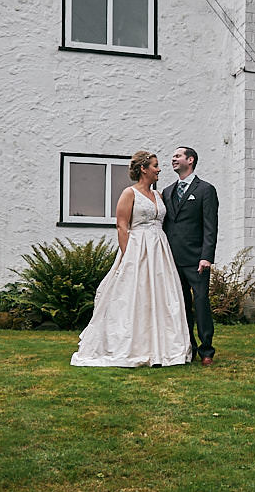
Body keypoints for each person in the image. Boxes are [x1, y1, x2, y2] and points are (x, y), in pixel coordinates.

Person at [71, 151, 191, 368]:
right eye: (155, 165)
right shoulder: (129, 193)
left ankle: (162, 347)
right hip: (138, 249)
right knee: (134, 295)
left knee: (162, 297)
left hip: (159, 251)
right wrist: (128, 257)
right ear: (143, 169)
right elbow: (122, 226)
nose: (159, 169)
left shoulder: (159, 195)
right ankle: (131, 346)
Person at [162, 146, 218, 365]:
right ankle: (189, 348)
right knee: (182, 306)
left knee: (201, 303)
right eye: (173, 156)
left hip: (197, 260)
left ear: (190, 160)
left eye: (178, 156)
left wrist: (206, 256)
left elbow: (210, 226)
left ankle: (206, 350)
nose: (173, 159)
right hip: (172, 260)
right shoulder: (167, 191)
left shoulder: (205, 190)